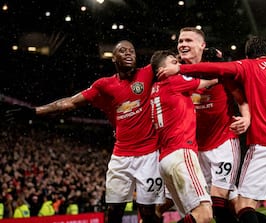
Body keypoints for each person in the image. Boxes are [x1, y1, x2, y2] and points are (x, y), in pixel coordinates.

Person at [157, 36, 266, 223]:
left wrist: (180, 68)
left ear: (248, 55)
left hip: (265, 145)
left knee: (244, 206)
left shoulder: (247, 66)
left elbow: (215, 69)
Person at [5, 40, 165, 223]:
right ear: (114, 58)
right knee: (114, 210)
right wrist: (35, 111)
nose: (129, 53)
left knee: (147, 212)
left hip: (149, 155)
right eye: (123, 51)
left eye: (132, 51)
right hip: (121, 157)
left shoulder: (147, 73)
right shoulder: (104, 85)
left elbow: (172, 64)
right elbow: (69, 102)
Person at [175, 27, 250, 223]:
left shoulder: (219, 70)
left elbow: (241, 100)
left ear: (202, 45)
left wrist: (247, 119)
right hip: (196, 149)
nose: (183, 44)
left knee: (216, 202)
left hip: (224, 142)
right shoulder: (174, 73)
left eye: (188, 40)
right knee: (232, 208)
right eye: (181, 41)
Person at [150, 50, 218, 223]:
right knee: (204, 214)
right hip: (181, 152)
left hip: (166, 159)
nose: (178, 65)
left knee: (191, 216)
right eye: (173, 62)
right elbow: (210, 81)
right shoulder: (174, 81)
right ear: (162, 69)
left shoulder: (154, 90)